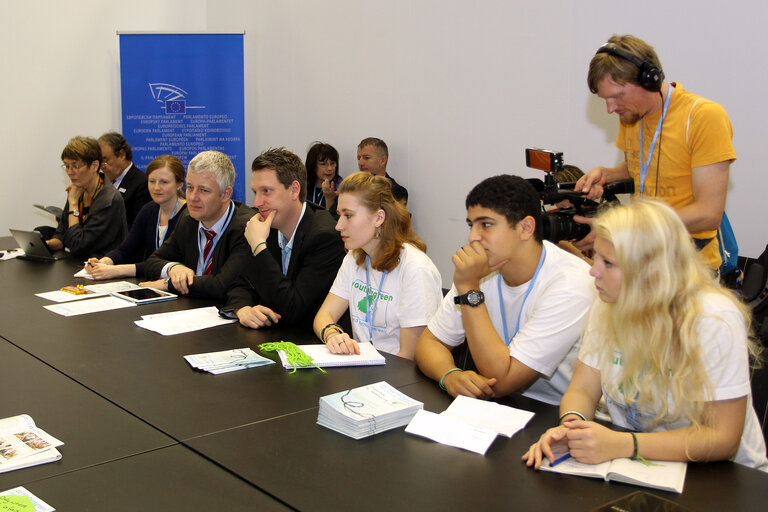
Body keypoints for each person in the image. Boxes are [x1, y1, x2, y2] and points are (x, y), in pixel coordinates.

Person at [523, 200, 768, 471]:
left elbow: (722, 438)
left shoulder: (713, 318)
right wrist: (572, 427)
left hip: (724, 475)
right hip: (639, 463)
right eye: (595, 256)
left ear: (650, 271)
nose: (593, 270)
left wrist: (626, 444)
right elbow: (582, 389)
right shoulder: (608, 301)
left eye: (608, 263)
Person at [414, 175, 594, 404]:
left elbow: (501, 382)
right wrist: (449, 375)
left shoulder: (571, 283)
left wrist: (469, 288)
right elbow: (429, 343)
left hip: (558, 414)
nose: (472, 237)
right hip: (504, 406)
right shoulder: (484, 268)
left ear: (526, 228)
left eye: (486, 224)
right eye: (471, 225)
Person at [574, 35, 734, 271]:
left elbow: (708, 213)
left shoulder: (703, 117)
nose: (610, 109)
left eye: (617, 96)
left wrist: (625, 227)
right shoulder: (631, 115)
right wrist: (607, 174)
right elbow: (637, 168)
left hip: (690, 268)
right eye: (604, 99)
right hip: (642, 259)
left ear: (649, 80)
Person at [313, 172, 442, 359]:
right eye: (339, 215)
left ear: (379, 218)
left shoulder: (415, 268)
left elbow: (410, 357)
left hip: (399, 378)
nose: (338, 225)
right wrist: (333, 335)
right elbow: (324, 315)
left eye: (348, 216)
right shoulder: (353, 257)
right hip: (364, 370)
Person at [225, 148, 345, 328]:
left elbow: (293, 310)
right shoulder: (268, 224)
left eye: (266, 191)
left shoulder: (324, 237)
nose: (257, 203)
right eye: (255, 192)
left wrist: (259, 248)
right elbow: (240, 284)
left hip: (309, 343)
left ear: (294, 190)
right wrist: (242, 309)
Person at [140, 150, 253, 301]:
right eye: (190, 187)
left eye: (204, 190)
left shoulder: (246, 227)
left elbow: (222, 285)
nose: (192, 198)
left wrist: (169, 283)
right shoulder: (188, 219)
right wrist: (174, 268)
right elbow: (152, 261)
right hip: (192, 309)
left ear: (226, 194)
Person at [84, 155, 187, 279]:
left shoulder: (188, 215)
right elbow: (125, 249)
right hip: (150, 283)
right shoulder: (149, 210)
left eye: (164, 182)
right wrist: (104, 262)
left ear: (179, 184)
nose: (156, 187)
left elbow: (169, 263)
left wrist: (118, 270)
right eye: (152, 181)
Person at [46, 136, 127, 259]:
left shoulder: (109, 200)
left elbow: (78, 246)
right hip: (77, 263)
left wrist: (73, 204)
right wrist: (44, 245)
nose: (70, 172)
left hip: (101, 269)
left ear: (94, 165)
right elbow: (62, 235)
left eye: (76, 166)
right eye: (67, 166)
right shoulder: (78, 191)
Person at [98, 132, 152, 228]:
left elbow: (138, 226)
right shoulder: (101, 181)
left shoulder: (142, 183)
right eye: (100, 161)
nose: (102, 166)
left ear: (122, 155)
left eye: (105, 160)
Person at [356, 137, 408, 206]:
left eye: (366, 158)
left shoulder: (396, 191)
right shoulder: (353, 187)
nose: (360, 163)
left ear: (383, 160)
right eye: (358, 158)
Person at [305, 142, 342, 215]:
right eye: (323, 164)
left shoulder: (341, 188)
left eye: (332, 163)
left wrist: (329, 199)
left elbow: (335, 221)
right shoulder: (303, 186)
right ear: (312, 166)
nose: (329, 168)